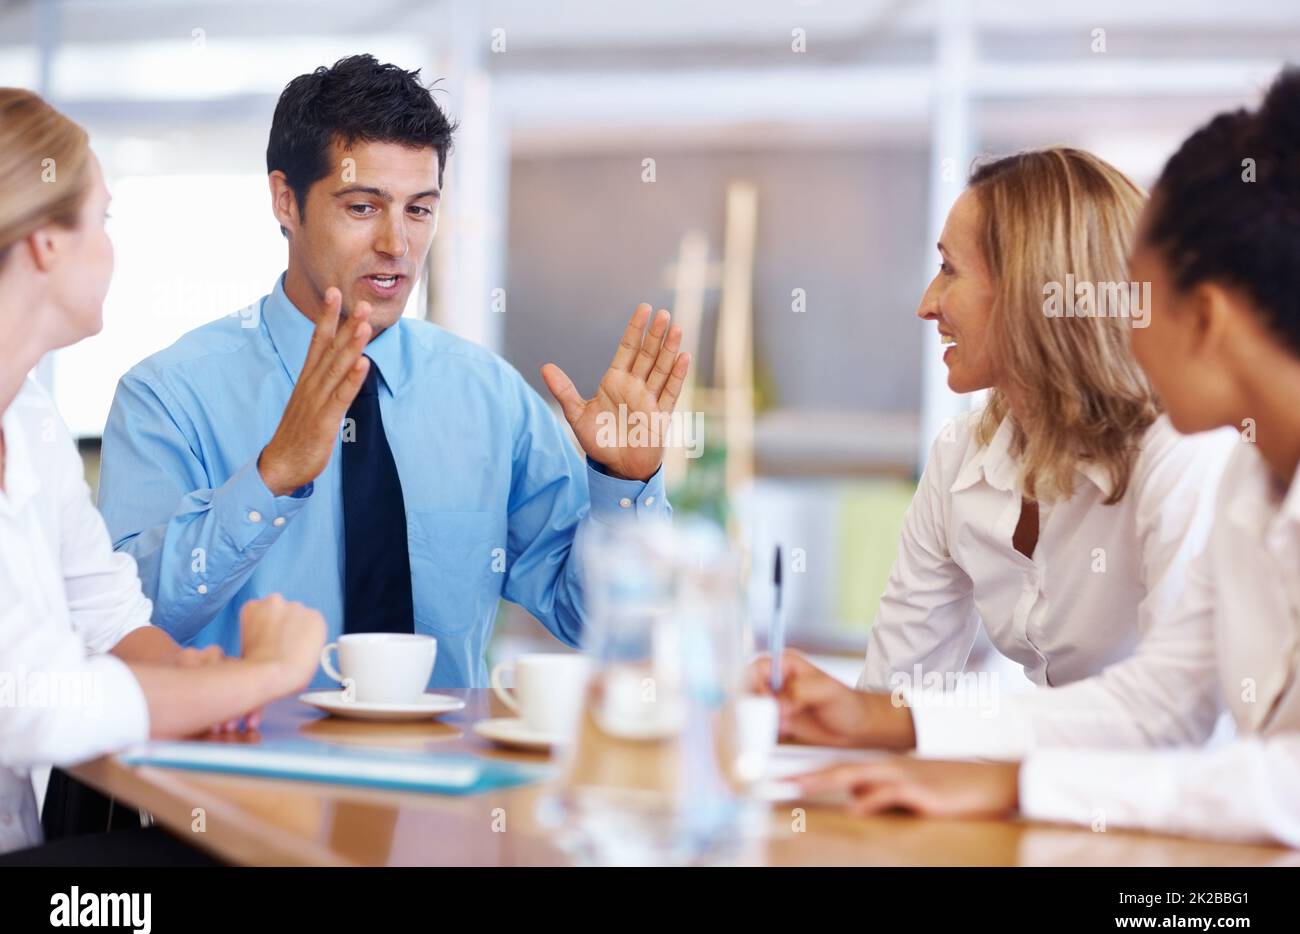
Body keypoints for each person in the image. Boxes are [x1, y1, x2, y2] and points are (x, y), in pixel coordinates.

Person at [789, 67, 1300, 848]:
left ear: (1204, 318)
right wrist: (889, 720)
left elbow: (1276, 782)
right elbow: (1165, 698)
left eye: (1137, 295)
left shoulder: (1193, 458)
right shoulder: (1246, 480)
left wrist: (1008, 780)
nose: (1113, 320)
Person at [97, 55, 690, 688]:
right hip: (244, 779)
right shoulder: (168, 396)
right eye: (362, 207)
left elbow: (594, 621)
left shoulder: (489, 400)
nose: (397, 245)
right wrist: (271, 480)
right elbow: (125, 625)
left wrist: (623, 487)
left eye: (419, 209)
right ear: (285, 201)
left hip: (442, 779)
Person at [753, 147, 1236, 758]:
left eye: (950, 270)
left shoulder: (1182, 450)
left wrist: (912, 729)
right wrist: (829, 721)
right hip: (1052, 808)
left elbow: (1178, 714)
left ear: (1033, 294)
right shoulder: (961, 457)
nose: (927, 303)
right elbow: (897, 691)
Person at [0, 87, 326, 859]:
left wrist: (196, 675)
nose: (112, 248)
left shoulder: (31, 421)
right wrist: (265, 675)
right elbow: (40, 703)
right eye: (102, 220)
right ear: (47, 243)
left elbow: (106, 614)